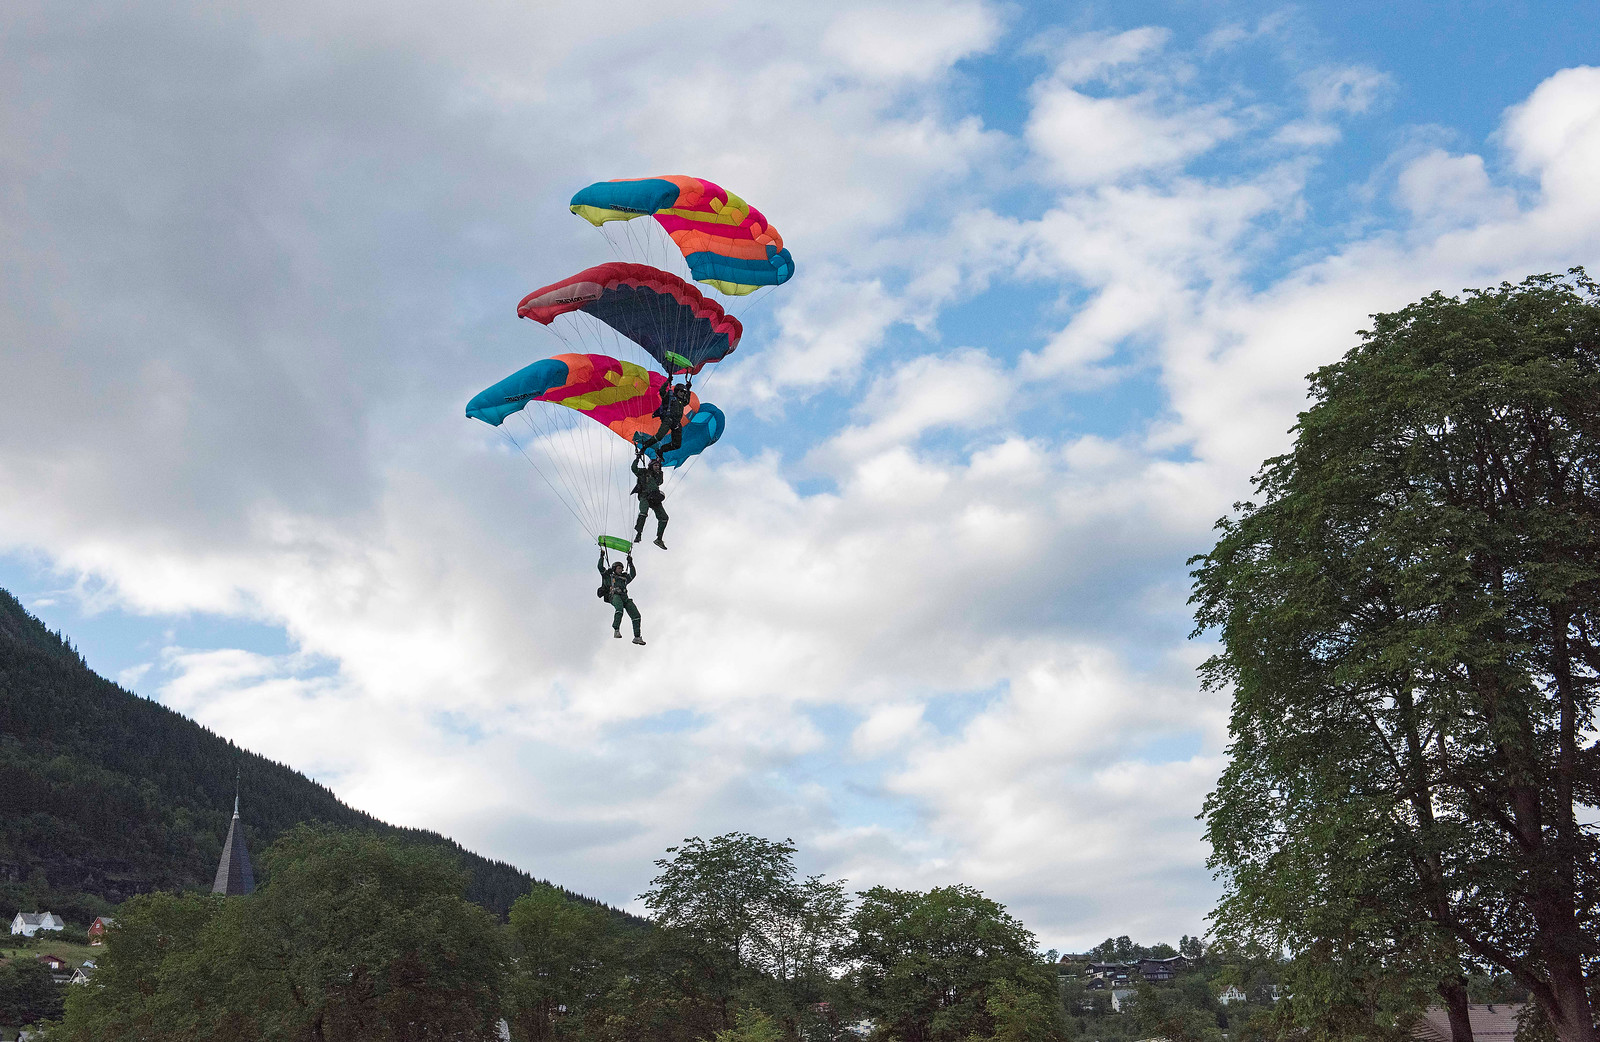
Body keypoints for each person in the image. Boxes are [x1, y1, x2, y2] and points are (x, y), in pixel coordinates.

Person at [635, 379, 693, 456]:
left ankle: (661, 450)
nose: (683, 394)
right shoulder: (670, 398)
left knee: (677, 445)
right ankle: (645, 446)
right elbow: (662, 392)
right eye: (682, 391)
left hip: (676, 424)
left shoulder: (682, 402)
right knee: (659, 436)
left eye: (684, 392)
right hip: (668, 420)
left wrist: (688, 390)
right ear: (677, 391)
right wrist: (667, 382)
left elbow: (687, 401)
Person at [598, 551, 644, 644]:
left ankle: (637, 637)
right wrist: (602, 557)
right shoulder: (609, 576)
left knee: (636, 615)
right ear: (615, 569)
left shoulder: (624, 578)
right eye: (619, 568)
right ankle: (616, 630)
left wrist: (631, 563)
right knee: (619, 609)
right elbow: (600, 568)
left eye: (622, 568)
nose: (621, 569)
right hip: (614, 595)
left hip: (625, 597)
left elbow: (633, 574)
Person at [631, 454, 669, 549]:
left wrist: (659, 459)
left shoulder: (659, 475)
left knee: (664, 517)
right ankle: (638, 533)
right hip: (645, 496)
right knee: (643, 513)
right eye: (655, 465)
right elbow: (634, 468)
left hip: (654, 497)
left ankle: (659, 539)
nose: (657, 467)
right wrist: (637, 458)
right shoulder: (643, 472)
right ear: (651, 466)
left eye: (658, 465)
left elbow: (659, 482)